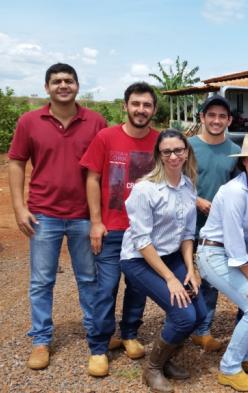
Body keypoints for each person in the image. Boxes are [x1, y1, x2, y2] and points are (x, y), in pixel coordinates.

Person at [8, 63, 107, 370]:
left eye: (68, 80)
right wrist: (19, 208)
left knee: (89, 279)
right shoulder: (29, 121)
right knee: (41, 281)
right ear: (46, 87)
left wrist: (99, 218)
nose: (63, 85)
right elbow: (16, 163)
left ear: (77, 86)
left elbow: (105, 167)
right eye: (56, 81)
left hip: (83, 215)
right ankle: (41, 340)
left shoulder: (95, 121)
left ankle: (96, 334)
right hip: (43, 214)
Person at [81, 82, 159, 376]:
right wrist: (96, 221)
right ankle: (99, 346)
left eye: (147, 105)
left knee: (138, 287)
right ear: (125, 106)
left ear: (153, 109)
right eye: (136, 104)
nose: (141, 110)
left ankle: (129, 334)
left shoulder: (159, 141)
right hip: (112, 229)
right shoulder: (105, 137)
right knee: (106, 288)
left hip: (143, 232)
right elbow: (92, 178)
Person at [120, 129, 207, 392]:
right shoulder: (145, 189)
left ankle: (167, 358)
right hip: (139, 259)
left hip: (171, 256)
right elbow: (142, 241)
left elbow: (187, 235)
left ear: (186, 152)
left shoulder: (188, 185)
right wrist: (171, 279)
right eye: (166, 151)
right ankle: (153, 368)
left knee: (199, 313)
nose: (173, 156)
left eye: (178, 150)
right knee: (183, 316)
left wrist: (191, 270)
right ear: (159, 154)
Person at [196, 133, 248, 392]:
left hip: (239, 255)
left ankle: (246, 356)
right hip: (214, 254)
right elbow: (232, 242)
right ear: (243, 162)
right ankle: (229, 368)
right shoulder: (234, 191)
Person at [188, 95, 241, 352]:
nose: (216, 120)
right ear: (202, 118)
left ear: (229, 120)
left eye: (222, 116)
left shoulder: (235, 151)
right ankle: (183, 324)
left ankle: (203, 330)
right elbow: (173, 182)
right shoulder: (188, 147)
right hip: (187, 226)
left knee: (210, 281)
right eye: (211, 115)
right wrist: (196, 200)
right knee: (185, 277)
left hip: (218, 231)